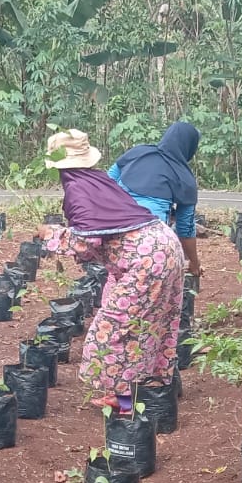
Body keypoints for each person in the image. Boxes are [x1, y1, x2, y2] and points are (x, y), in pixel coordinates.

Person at [39, 129, 185, 413]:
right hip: (165, 244)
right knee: (151, 326)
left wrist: (49, 234)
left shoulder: (77, 189)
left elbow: (86, 242)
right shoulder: (99, 180)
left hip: (145, 260)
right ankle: (145, 395)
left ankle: (125, 402)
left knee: (112, 330)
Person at [108, 121, 204, 276]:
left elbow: (108, 181)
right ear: (190, 147)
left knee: (116, 282)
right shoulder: (185, 178)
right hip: (150, 241)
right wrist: (194, 263)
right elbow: (185, 228)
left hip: (112, 229)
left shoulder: (138, 152)